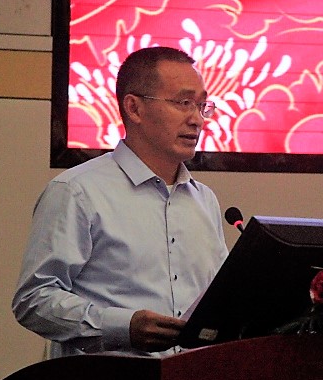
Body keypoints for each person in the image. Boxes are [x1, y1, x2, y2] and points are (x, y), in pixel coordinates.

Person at [12, 46, 229, 359]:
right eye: (183, 103)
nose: (197, 120)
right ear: (134, 108)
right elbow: (34, 300)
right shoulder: (77, 192)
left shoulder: (204, 200)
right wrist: (122, 327)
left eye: (202, 106)